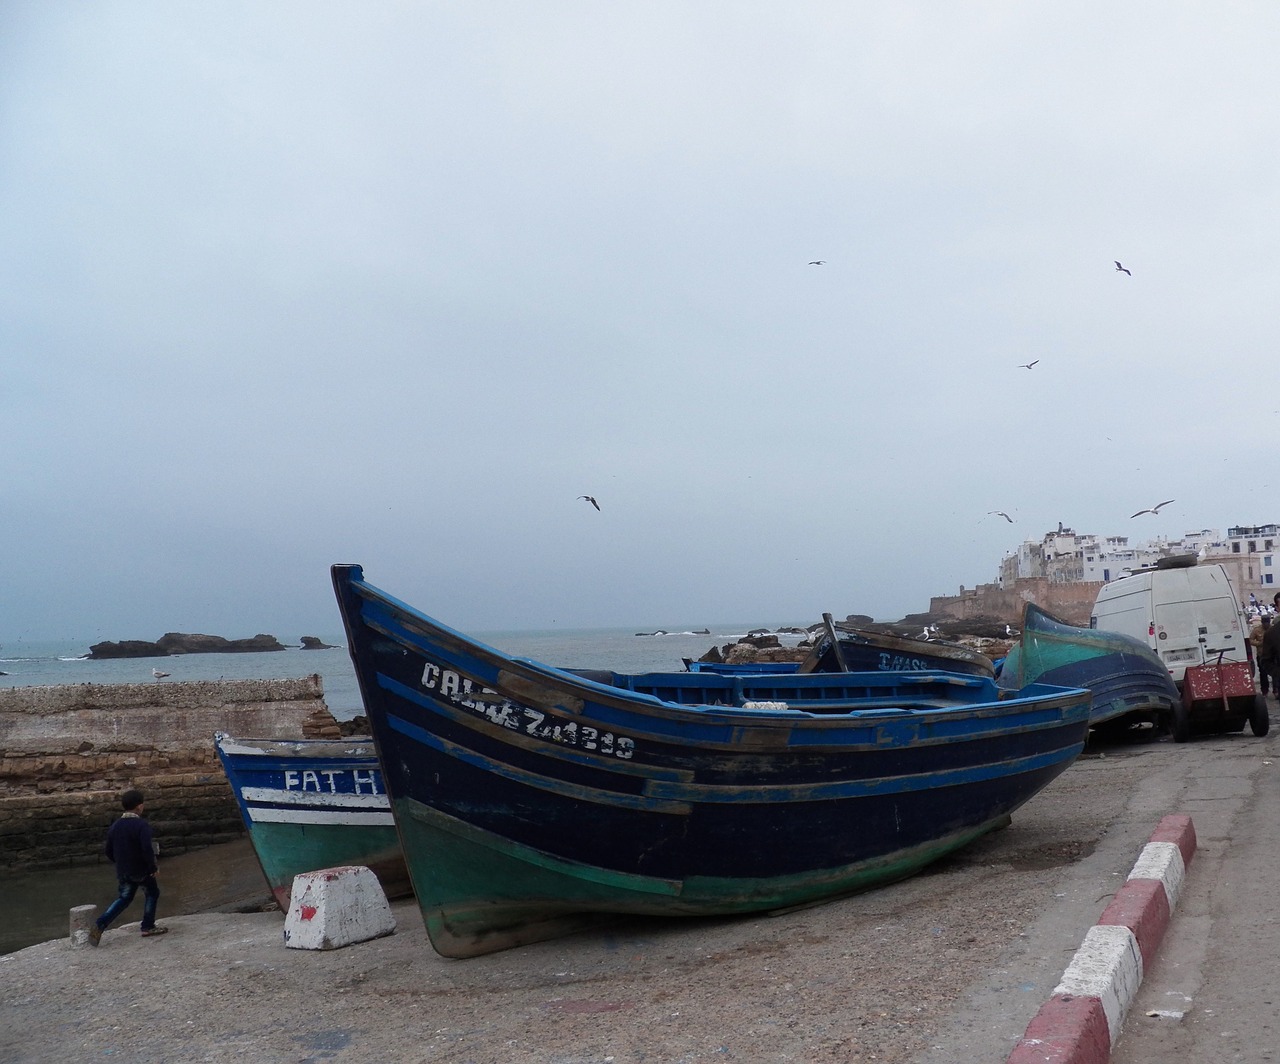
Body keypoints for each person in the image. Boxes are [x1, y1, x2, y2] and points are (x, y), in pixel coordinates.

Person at [89, 788, 166, 944]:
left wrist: (120, 863)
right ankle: (148, 926)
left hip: (124, 870)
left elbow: (108, 850)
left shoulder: (115, 826)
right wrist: (152, 867)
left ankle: (100, 925)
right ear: (139, 806)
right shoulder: (141, 825)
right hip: (142, 870)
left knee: (124, 898)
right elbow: (146, 849)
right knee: (152, 893)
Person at [1251, 616, 1272, 694]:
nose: (1266, 625)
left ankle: (1276, 690)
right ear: (1262, 623)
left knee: (1275, 673)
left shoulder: (1273, 629)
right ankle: (1265, 690)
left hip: (1273, 655)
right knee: (1263, 673)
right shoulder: (1257, 630)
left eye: (1267, 623)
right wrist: (1259, 643)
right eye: (1265, 623)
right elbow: (1250, 640)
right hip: (1262, 655)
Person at [1261, 619, 1280, 701]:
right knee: (1263, 675)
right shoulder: (1272, 633)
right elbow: (1266, 661)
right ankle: (1266, 691)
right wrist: (1278, 673)